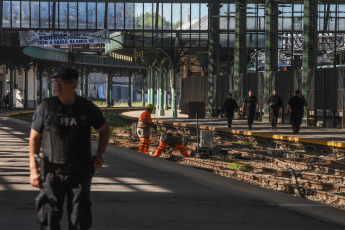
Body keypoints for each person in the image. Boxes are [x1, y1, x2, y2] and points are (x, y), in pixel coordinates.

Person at [29, 67, 111, 230]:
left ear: (74, 85)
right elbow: (34, 138)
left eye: (62, 83)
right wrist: (33, 168)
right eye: (56, 82)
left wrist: (100, 154)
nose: (57, 86)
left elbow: (104, 129)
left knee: (80, 220)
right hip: (52, 173)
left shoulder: (87, 107)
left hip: (80, 172)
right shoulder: (46, 107)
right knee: (48, 219)